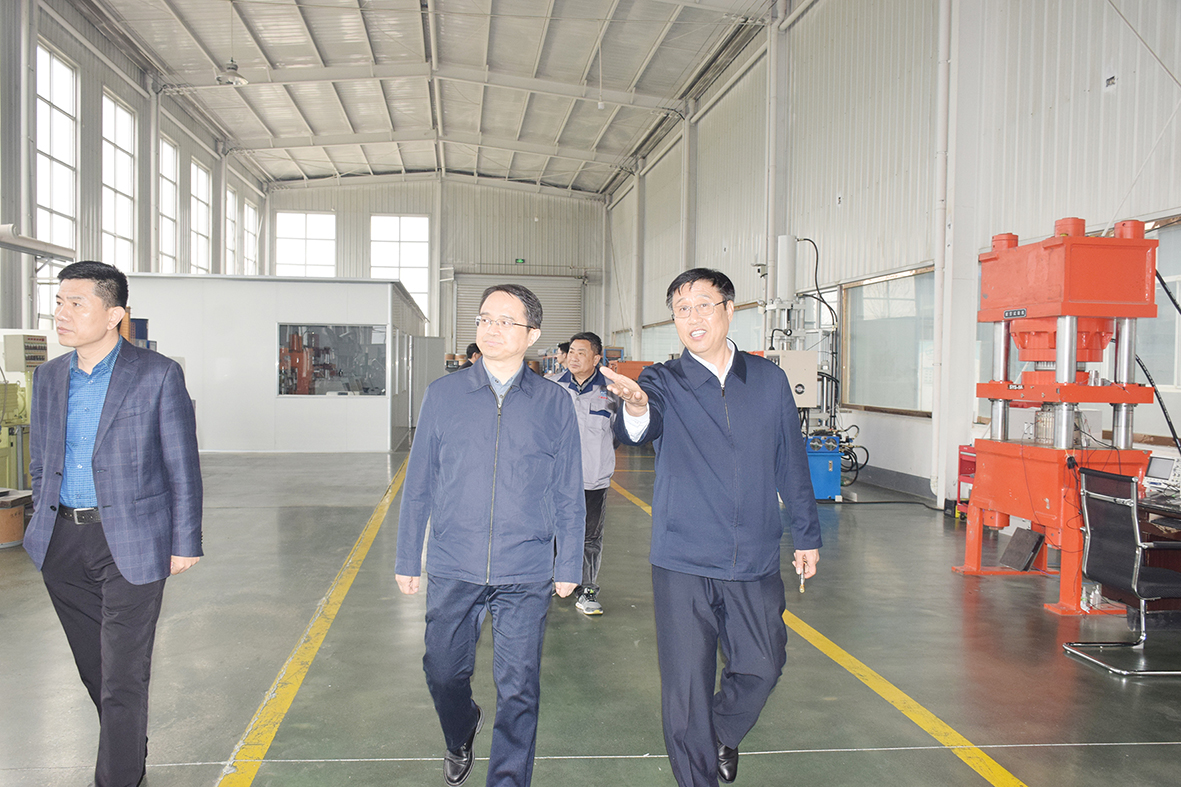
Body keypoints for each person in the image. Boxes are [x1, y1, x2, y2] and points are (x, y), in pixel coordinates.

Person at [601, 268, 821, 787]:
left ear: (728, 310)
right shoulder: (664, 380)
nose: (693, 317)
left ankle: (721, 730)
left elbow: (791, 460)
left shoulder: (766, 380)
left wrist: (807, 534)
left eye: (703, 304)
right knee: (685, 688)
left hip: (754, 557)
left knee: (763, 665)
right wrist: (635, 405)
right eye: (682, 309)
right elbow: (640, 426)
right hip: (683, 558)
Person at [395, 284, 585, 787]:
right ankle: (461, 729)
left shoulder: (554, 403)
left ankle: (507, 779)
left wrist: (568, 563)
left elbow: (568, 491)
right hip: (454, 563)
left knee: (519, 686)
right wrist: (408, 556)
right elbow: (419, 483)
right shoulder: (444, 395)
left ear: (532, 335)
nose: (491, 328)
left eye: (505, 321)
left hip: (525, 569)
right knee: (442, 671)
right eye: (485, 319)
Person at [24, 261, 203, 787]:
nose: (62, 313)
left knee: (123, 675)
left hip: (131, 541)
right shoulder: (48, 377)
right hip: (61, 541)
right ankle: (129, 746)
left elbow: (181, 464)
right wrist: (40, 523)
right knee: (95, 670)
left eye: (76, 303)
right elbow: (41, 460)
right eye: (59, 302)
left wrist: (185, 541)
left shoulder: (157, 374)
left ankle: (119, 777)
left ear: (114, 314)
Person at [553, 332, 618, 615]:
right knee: (552, 531)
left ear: (596, 358)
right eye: (571, 352)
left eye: (582, 352)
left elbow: (619, 432)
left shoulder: (612, 391)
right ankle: (553, 579)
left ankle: (587, 589)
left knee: (590, 537)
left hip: (593, 478)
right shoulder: (553, 387)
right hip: (556, 479)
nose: (574, 357)